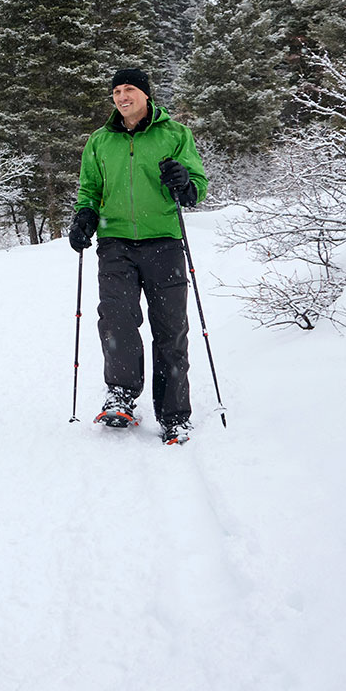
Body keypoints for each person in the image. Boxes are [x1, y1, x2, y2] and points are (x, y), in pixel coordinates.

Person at [67, 68, 209, 445]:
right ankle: (121, 397)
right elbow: (90, 189)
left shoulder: (175, 134)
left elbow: (198, 186)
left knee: (170, 328)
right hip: (115, 243)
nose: (122, 96)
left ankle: (175, 415)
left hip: (163, 240)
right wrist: (84, 218)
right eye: (116, 90)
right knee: (116, 320)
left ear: (146, 94)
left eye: (129, 89)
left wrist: (184, 183)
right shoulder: (100, 141)